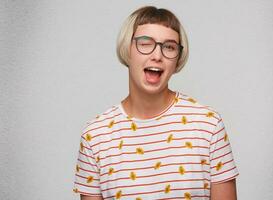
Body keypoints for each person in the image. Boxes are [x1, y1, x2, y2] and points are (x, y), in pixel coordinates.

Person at [73, 6, 239, 200]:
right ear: (128, 49)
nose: (157, 56)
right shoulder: (96, 136)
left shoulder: (208, 125)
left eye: (169, 47)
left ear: (177, 59)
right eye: (145, 43)